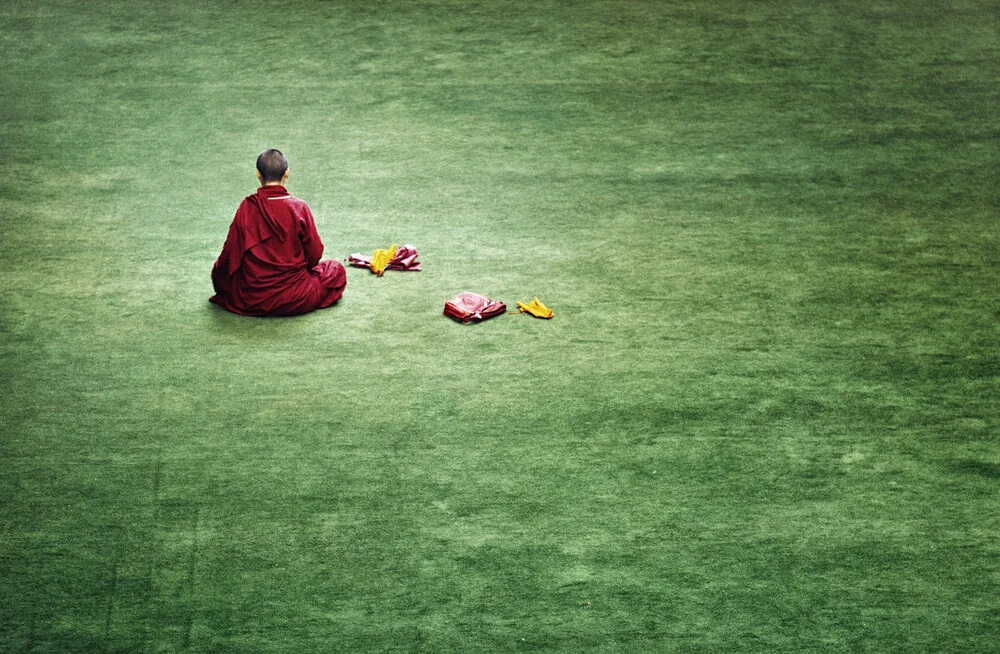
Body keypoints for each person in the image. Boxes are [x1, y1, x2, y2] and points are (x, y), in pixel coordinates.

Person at [210, 150, 347, 316]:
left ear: (258, 174)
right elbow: (315, 253)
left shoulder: (247, 207)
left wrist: (219, 278)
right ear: (287, 173)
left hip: (254, 298)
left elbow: (229, 255)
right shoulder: (299, 208)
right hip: (297, 297)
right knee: (335, 270)